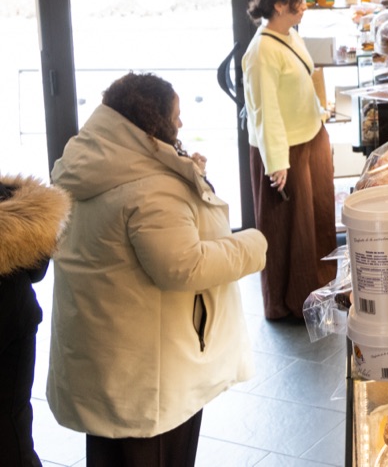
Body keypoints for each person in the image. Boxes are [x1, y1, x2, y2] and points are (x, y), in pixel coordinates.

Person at [47, 72, 267, 467]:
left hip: (104, 359)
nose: (180, 124)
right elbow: (183, 266)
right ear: (151, 122)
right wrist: (253, 245)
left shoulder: (88, 166)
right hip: (149, 373)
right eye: (175, 116)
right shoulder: (149, 188)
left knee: (111, 455)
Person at [242, 0, 336, 320]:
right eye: (299, 0)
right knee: (290, 227)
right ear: (279, 6)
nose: (305, 4)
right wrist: (277, 163)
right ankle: (290, 303)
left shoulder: (290, 35)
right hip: (285, 150)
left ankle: (319, 288)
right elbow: (264, 111)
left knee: (318, 217)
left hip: (310, 135)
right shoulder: (261, 52)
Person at [0, 173, 70, 467]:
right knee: (11, 424)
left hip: (13, 315)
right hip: (11, 315)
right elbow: (36, 269)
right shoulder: (14, 201)